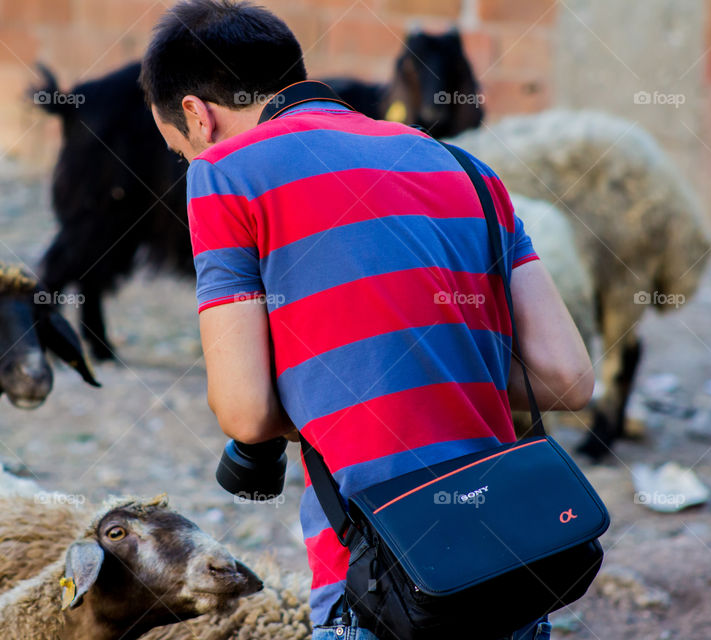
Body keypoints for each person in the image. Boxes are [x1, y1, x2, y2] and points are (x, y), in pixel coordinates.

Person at [140, 2, 592, 639]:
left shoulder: (223, 173)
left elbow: (246, 413)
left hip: (382, 582)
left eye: (179, 150)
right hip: (507, 561)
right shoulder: (466, 168)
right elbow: (568, 379)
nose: (190, 160)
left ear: (197, 114)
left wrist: (341, 379)